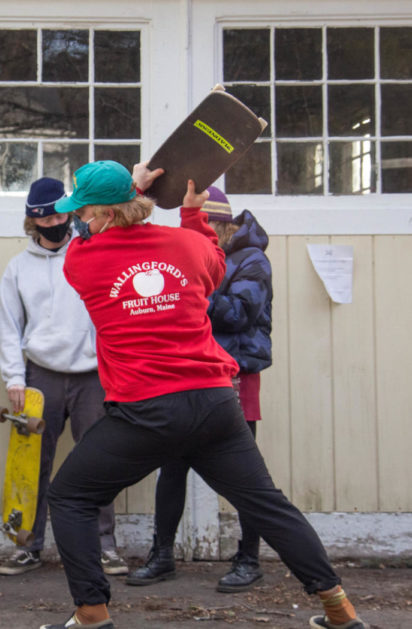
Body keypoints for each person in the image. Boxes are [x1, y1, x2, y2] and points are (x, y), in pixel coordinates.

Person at [38, 160, 367, 629]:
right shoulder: (188, 244)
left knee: (69, 495)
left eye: (83, 212)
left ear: (103, 215)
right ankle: (339, 609)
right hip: (214, 403)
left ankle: (92, 613)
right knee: (267, 504)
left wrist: (130, 188)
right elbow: (212, 270)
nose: (77, 221)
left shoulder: (83, 261)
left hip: (144, 412)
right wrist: (190, 215)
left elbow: (91, 239)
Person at [127, 186, 273, 593]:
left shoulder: (251, 260)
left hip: (235, 376)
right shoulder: (196, 254)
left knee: (245, 475)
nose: (198, 231)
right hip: (188, 375)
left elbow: (242, 314)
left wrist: (191, 295)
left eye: (206, 223)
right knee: (171, 467)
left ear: (222, 223)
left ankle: (249, 559)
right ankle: (162, 555)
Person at [0, 177, 126, 577]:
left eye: (57, 215)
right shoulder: (17, 269)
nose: (52, 223)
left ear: (70, 214)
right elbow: (9, 328)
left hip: (93, 374)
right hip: (40, 376)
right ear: (31, 223)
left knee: (101, 461)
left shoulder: (90, 253)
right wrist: (14, 379)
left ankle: (105, 546)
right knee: (32, 461)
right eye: (43, 219)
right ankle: (26, 545)